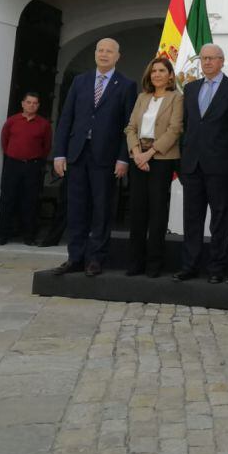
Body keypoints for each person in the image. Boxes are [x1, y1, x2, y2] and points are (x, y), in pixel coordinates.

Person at [50, 38, 137, 278]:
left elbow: (128, 125)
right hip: (77, 154)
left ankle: (95, 259)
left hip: (106, 158)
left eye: (109, 51)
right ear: (95, 53)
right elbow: (65, 118)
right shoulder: (80, 81)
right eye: (100, 50)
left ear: (118, 56)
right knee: (76, 209)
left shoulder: (127, 85)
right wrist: (60, 152)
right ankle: (74, 257)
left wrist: (123, 158)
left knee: (101, 210)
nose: (104, 54)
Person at [177, 44, 228, 283]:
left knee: (220, 219)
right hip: (192, 165)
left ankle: (216, 267)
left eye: (212, 58)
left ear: (222, 61)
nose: (207, 62)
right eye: (204, 58)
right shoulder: (191, 88)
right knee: (192, 218)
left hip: (221, 165)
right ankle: (189, 266)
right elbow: (186, 127)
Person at [124, 57, 183, 278]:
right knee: (137, 212)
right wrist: (137, 154)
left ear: (170, 75)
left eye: (161, 70)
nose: (156, 74)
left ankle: (154, 264)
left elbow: (175, 129)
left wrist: (150, 153)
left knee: (157, 213)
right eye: (153, 71)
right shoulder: (142, 97)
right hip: (139, 158)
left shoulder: (177, 98)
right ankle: (135, 263)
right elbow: (130, 128)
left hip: (162, 159)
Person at [0, 92, 52, 246]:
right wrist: (13, 155)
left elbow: (46, 147)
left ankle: (29, 236)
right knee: (7, 199)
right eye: (28, 102)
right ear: (22, 103)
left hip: (32, 166)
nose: (31, 105)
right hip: (13, 164)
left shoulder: (44, 124)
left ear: (38, 106)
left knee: (30, 201)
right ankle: (2, 235)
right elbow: (4, 141)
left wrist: (36, 159)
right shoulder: (12, 121)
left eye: (34, 103)